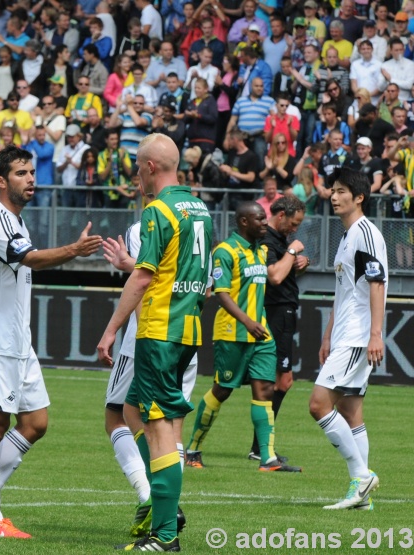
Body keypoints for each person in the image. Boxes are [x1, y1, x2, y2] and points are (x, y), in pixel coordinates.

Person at [0, 145, 101, 538]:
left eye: (32, 172)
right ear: (1, 181)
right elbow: (32, 259)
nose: (31, 180)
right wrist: (74, 250)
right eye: (22, 173)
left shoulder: (17, 222)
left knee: (36, 422)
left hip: (19, 343)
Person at [96, 134, 212, 552]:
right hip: (188, 329)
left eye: (137, 167)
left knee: (158, 428)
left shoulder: (156, 210)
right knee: (135, 415)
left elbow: (142, 276)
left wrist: (111, 328)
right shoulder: (200, 208)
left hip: (159, 329)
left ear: (148, 167)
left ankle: (165, 532)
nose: (137, 177)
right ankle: (161, 517)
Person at [185, 201, 301, 472]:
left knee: (265, 390)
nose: (265, 222)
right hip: (232, 333)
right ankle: (193, 449)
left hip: (260, 334)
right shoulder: (225, 251)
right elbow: (221, 293)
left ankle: (267, 458)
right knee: (222, 390)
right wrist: (247, 320)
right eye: (260, 218)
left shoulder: (261, 252)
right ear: (244, 222)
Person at [308, 168, 386, 510]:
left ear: (359, 197)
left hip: (357, 336)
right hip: (344, 335)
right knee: (351, 411)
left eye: (341, 191)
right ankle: (362, 498)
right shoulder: (346, 236)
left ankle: (361, 476)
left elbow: (377, 284)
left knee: (318, 404)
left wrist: (374, 335)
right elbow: (344, 293)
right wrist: (327, 335)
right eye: (332, 190)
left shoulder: (366, 233)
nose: (333, 196)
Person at [244, 196, 307, 460]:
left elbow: (284, 271)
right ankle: (260, 448)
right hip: (277, 312)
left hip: (285, 311)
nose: (295, 229)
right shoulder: (269, 240)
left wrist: (301, 264)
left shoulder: (278, 240)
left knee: (278, 381)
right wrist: (293, 252)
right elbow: (275, 275)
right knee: (281, 380)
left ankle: (259, 447)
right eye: (294, 223)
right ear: (280, 215)